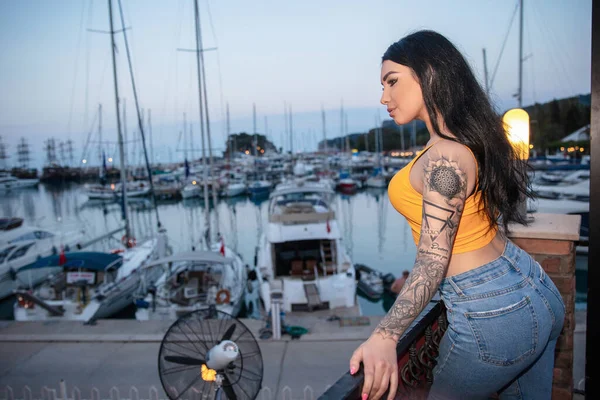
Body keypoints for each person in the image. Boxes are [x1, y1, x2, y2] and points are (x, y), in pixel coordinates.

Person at [349, 30, 565, 400]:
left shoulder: (446, 157)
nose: (384, 97)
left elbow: (435, 257)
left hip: (491, 311)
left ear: (429, 74)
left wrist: (385, 334)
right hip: (531, 285)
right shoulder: (461, 142)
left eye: (392, 81)